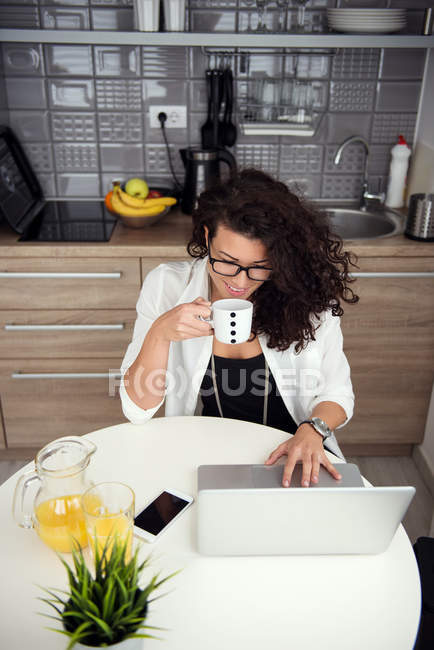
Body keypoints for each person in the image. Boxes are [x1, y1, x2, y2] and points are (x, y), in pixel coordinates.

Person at [120, 168, 359, 487]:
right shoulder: (167, 285)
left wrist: (313, 430)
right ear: (207, 237)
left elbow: (338, 393)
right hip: (208, 457)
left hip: (292, 456)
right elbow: (136, 410)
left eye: (259, 267)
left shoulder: (306, 297)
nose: (240, 281)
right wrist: (160, 333)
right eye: (227, 261)